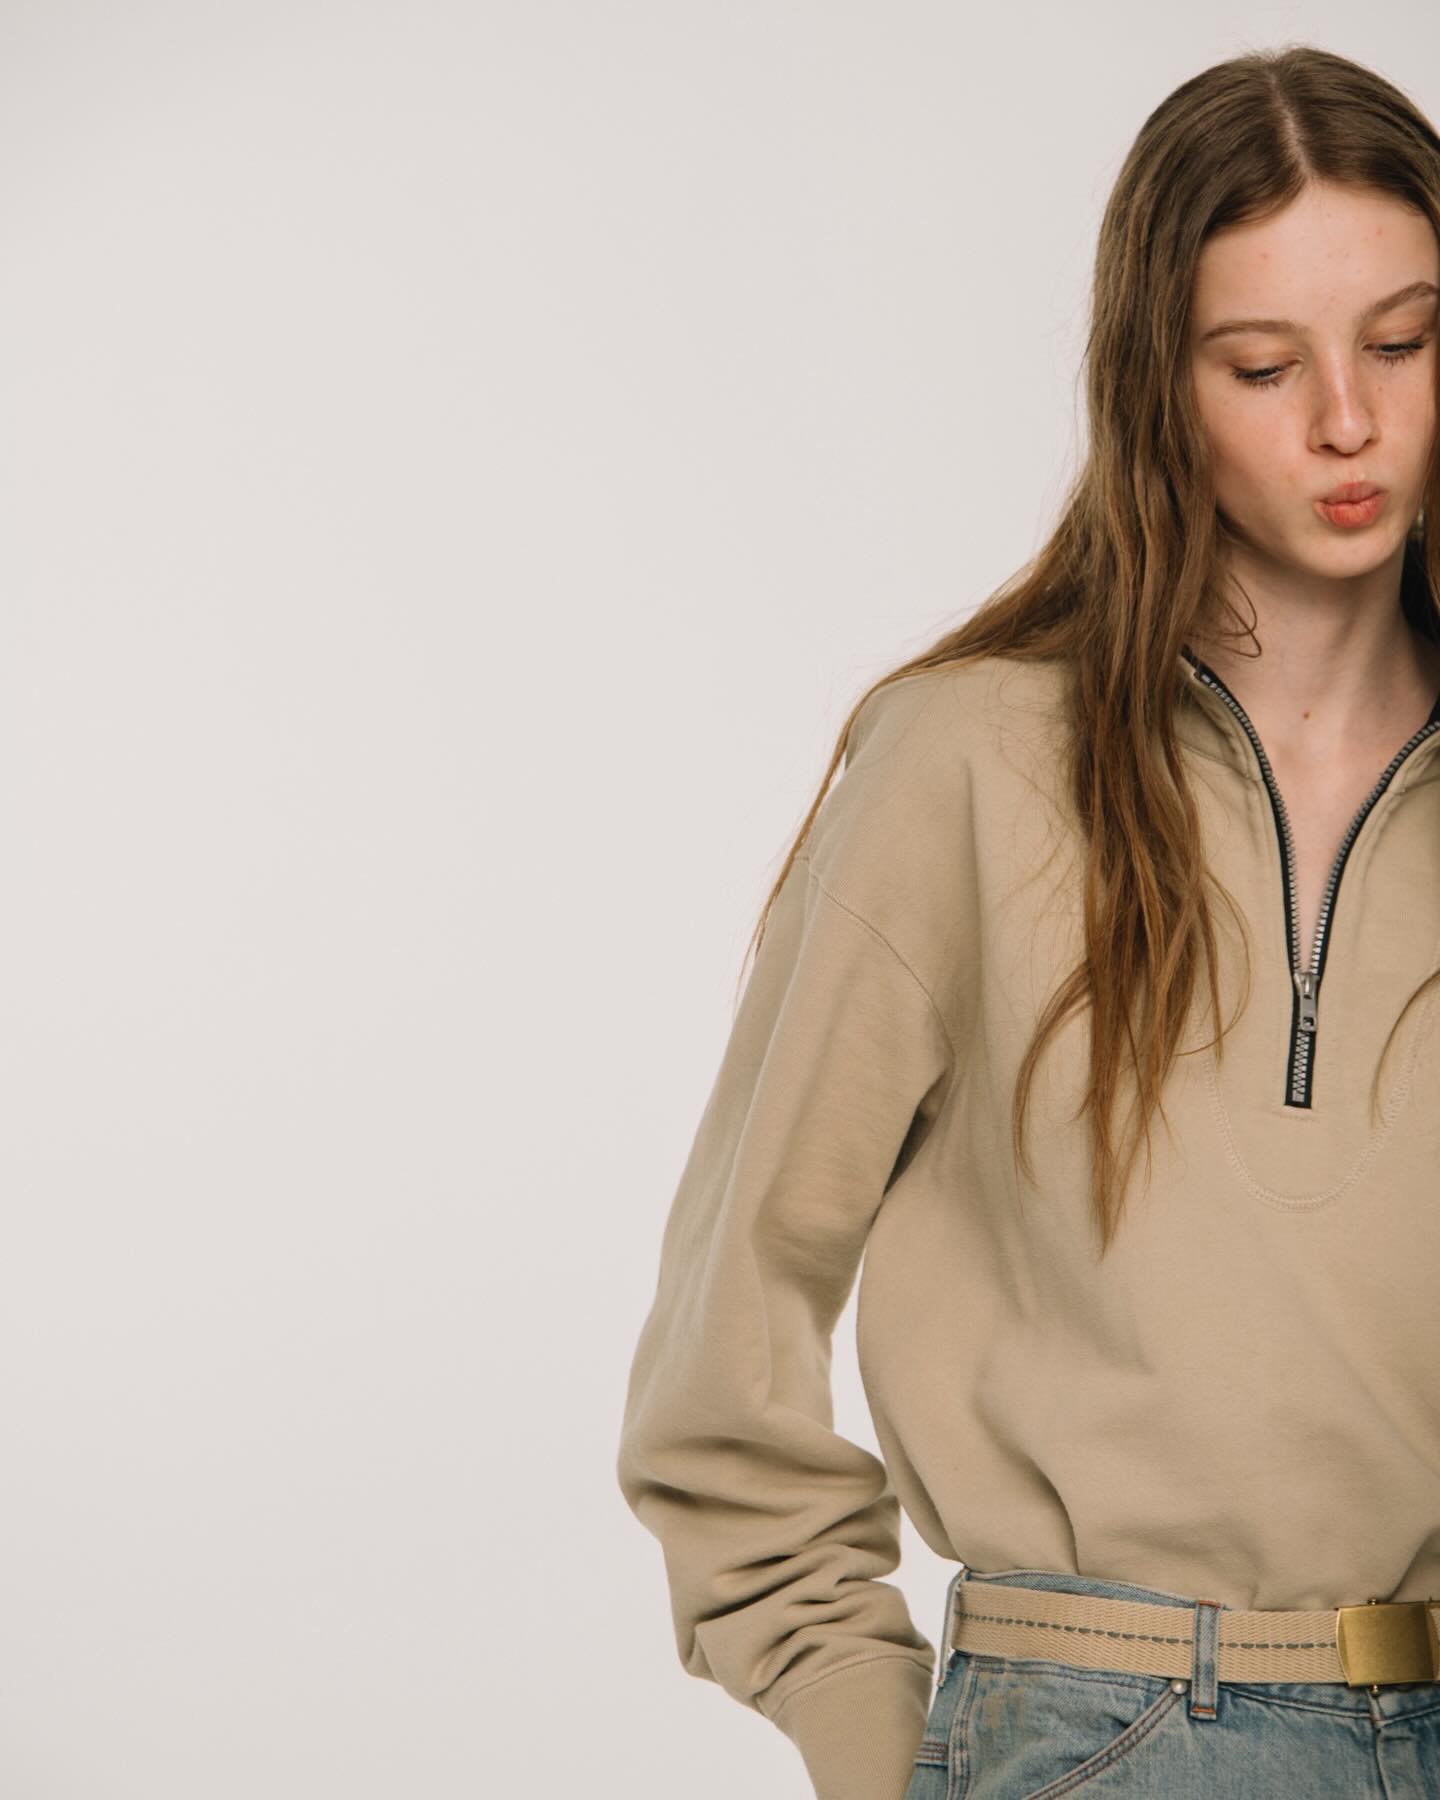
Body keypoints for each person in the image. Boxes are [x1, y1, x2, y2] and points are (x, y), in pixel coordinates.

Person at [615, 43, 1440, 1800]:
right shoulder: (969, 766)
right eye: (1263, 365)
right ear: (1158, 385)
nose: (1346, 421)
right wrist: (877, 1748)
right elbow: (724, 1357)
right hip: (1103, 1733)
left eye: (1401, 340)